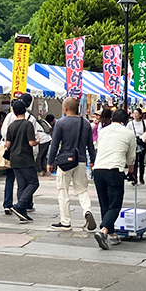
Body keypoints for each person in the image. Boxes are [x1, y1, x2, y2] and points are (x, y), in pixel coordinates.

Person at [47, 97, 97, 231]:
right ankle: (87, 210)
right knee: (82, 189)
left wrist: (50, 162)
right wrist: (93, 160)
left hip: (64, 162)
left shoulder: (61, 123)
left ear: (65, 108)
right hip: (80, 160)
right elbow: (90, 145)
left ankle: (65, 221)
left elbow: (55, 144)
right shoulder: (85, 123)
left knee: (63, 190)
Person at [93, 109, 136, 250]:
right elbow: (131, 157)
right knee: (115, 205)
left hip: (98, 170)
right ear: (126, 121)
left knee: (104, 203)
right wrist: (131, 172)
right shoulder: (129, 134)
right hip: (114, 170)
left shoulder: (103, 131)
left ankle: (111, 234)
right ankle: (104, 231)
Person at [1, 93, 41, 214]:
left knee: (14, 181)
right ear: (26, 107)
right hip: (25, 156)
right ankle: (22, 204)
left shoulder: (10, 121)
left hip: (13, 156)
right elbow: (31, 142)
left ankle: (11, 205)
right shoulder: (30, 121)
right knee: (32, 182)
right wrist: (37, 141)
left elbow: (5, 138)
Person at [126, 108, 146, 185]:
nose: (135, 115)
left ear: (140, 115)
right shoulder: (130, 124)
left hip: (142, 142)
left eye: (137, 113)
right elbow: (127, 132)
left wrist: (143, 138)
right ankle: (134, 177)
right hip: (134, 143)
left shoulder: (144, 122)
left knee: (142, 161)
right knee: (134, 161)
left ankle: (141, 177)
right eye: (134, 113)